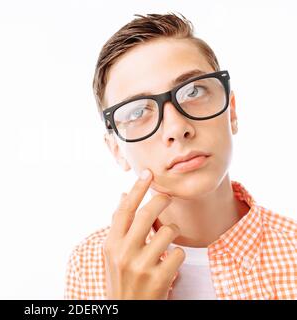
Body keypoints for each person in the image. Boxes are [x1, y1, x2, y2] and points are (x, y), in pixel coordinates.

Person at [64, 12, 297, 300]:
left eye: (194, 91)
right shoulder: (90, 264)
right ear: (116, 150)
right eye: (137, 112)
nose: (176, 128)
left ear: (231, 111)